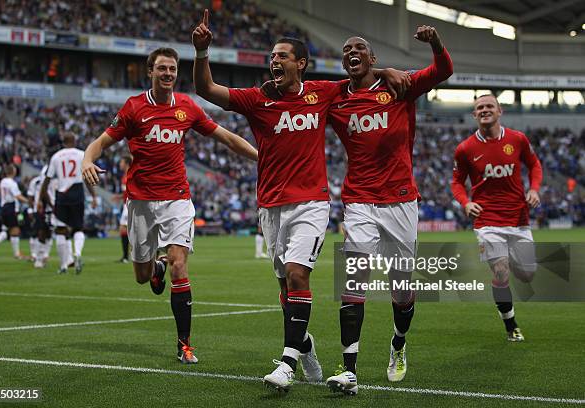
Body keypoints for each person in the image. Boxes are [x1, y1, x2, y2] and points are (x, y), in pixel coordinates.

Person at [192, 9, 409, 391]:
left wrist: (388, 71)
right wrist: (201, 53)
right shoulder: (257, 99)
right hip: (270, 206)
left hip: (311, 202)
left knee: (297, 274)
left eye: (281, 56)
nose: (274, 61)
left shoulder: (323, 93)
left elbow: (363, 78)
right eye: (272, 57)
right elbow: (207, 91)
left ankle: (287, 362)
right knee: (284, 288)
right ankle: (305, 346)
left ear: (301, 64)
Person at [82, 47, 258, 364]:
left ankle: (184, 344)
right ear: (150, 71)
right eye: (162, 68)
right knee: (140, 275)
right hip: (140, 202)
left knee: (180, 265)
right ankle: (155, 269)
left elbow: (227, 137)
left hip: (178, 197)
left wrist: (264, 158)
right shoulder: (134, 108)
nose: (168, 74)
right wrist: (86, 159)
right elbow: (101, 142)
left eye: (172, 69)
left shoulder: (187, 107)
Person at [325, 27, 453, 394]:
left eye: (360, 47)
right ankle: (348, 369)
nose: (352, 51)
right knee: (354, 276)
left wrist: (435, 44)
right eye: (347, 48)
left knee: (401, 288)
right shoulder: (335, 99)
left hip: (399, 200)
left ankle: (398, 342)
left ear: (372, 58)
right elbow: (301, 92)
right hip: (359, 198)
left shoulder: (399, 86)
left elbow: (443, 71)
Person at [451, 94, 542, 342]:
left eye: (489, 106)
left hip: (518, 218)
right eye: (479, 108)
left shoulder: (517, 139)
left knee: (526, 275)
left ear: (499, 111)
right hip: (487, 220)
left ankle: (510, 258)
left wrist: (534, 188)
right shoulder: (466, 148)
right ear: (474, 115)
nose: (484, 110)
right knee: (501, 271)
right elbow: (456, 182)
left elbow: (534, 165)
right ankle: (511, 325)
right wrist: (466, 202)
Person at [39, 132, 97, 274]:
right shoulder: (81, 154)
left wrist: (47, 201)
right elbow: (87, 177)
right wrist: (94, 196)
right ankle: (77, 252)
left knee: (60, 230)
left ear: (62, 142)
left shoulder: (56, 157)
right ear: (75, 140)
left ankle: (64, 265)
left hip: (62, 195)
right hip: (77, 192)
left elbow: (46, 182)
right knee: (78, 228)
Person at [0, 164, 29, 259]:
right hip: (12, 207)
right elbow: (18, 196)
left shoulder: (2, 182)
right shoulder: (12, 183)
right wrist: (29, 201)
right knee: (15, 230)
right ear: (13, 172)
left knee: (5, 229)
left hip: (3, 207)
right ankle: (17, 254)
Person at [116, 155, 132, 263]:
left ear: (126, 163)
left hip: (129, 205)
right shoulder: (124, 176)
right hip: (125, 204)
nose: (119, 164)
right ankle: (126, 256)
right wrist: (118, 197)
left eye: (121, 162)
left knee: (124, 229)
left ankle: (127, 256)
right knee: (124, 230)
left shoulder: (130, 174)